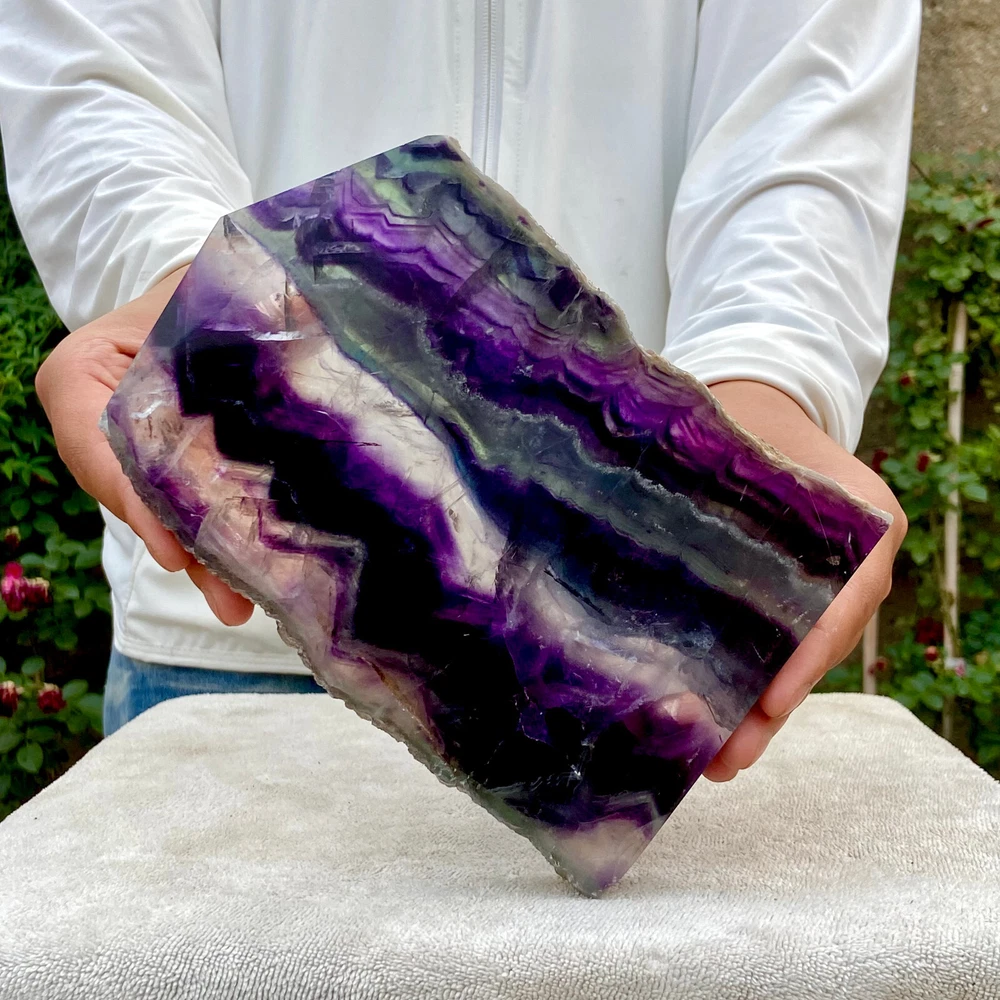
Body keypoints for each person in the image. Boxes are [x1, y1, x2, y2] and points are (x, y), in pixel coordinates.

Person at [0, 0, 915, 777]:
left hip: (629, 634)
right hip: (226, 634)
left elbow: (809, 104)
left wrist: (767, 375)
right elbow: (97, 66)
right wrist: (187, 284)